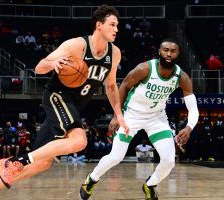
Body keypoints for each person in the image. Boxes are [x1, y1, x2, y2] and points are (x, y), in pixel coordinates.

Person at [0, 4, 128, 200]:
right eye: (112, 24)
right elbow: (39, 67)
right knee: (79, 140)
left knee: (42, 162)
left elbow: (110, 86)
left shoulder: (115, 53)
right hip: (57, 96)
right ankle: (15, 161)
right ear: (99, 25)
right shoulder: (77, 45)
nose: (116, 29)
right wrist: (53, 63)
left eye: (117, 25)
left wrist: (119, 115)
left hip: (73, 106)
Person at [79, 38, 199, 200]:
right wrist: (117, 115)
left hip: (157, 118)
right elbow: (124, 86)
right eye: (165, 50)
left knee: (169, 161)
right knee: (116, 156)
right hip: (131, 115)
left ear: (178, 53)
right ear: (159, 51)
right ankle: (91, 180)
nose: (169, 53)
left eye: (173, 51)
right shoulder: (145, 69)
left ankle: (149, 185)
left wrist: (189, 127)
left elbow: (193, 108)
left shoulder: (181, 77)